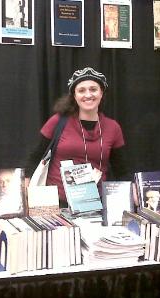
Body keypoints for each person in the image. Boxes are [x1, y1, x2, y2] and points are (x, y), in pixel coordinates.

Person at [25, 67, 128, 207]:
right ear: (74, 95)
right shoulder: (58, 121)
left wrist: (131, 195)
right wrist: (25, 190)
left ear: (101, 93)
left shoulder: (113, 127)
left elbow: (121, 169)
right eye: (81, 90)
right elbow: (35, 157)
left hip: (95, 203)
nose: (88, 94)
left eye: (93, 89)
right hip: (56, 203)